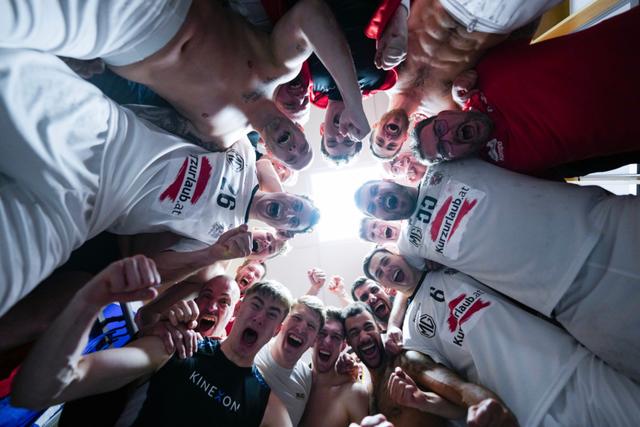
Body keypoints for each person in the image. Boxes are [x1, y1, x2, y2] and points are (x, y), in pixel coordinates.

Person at [0, 46, 319, 315]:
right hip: (108, 137)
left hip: (93, 209)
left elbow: (152, 269)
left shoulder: (222, 242)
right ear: (291, 193)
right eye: (298, 206)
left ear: (283, 231)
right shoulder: (244, 152)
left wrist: (212, 255)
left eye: (295, 221)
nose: (290, 212)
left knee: (10, 275)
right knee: (12, 72)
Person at [356, 158, 640, 381]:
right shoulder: (410, 245)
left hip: (603, 223)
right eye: (372, 208)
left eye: (374, 192)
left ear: (385, 180)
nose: (378, 202)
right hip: (571, 301)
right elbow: (409, 286)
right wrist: (394, 325)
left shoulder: (444, 165)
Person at [1, 0, 372, 170]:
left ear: (272, 155)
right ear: (299, 125)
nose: (293, 149)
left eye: (290, 158)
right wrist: (353, 103)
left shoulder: (216, 138)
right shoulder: (278, 68)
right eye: (302, 147)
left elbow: (139, 121)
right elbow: (311, 13)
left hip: (109, 45)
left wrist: (82, 72)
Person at [11, 257, 295, 426]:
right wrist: (91, 298)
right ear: (241, 310)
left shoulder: (268, 405)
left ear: (276, 330)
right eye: (256, 305)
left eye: (271, 314)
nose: (259, 318)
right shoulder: (174, 345)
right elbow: (39, 390)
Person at [363, 254, 640, 426]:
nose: (387, 270)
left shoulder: (450, 262)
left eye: (387, 261)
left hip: (574, 365)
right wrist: (482, 405)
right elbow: (451, 384)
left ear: (401, 255)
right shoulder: (413, 333)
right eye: (380, 273)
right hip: (529, 411)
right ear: (387, 286)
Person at [412, 7, 640, 177]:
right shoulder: (507, 173)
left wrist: (464, 80)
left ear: (444, 114)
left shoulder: (481, 72)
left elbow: (522, 16)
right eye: (443, 148)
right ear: (455, 159)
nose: (449, 136)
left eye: (440, 129)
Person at [368, 0, 511, 158]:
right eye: (392, 146)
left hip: (445, 4)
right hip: (493, 21)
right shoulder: (446, 113)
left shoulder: (382, 77)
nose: (388, 139)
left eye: (380, 140)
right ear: (405, 139)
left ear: (375, 125)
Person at [343, 303, 514, 426]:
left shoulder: (405, 363)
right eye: (355, 333)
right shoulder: (364, 386)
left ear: (380, 329)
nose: (364, 337)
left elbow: (461, 390)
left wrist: (497, 415)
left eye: (368, 327)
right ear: (349, 342)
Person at [254, 296, 326, 425]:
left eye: (311, 326)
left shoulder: (307, 378)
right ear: (283, 321)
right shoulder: (253, 348)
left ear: (314, 341)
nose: (301, 328)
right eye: (297, 318)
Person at [300, 308, 369, 427]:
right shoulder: (296, 381)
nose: (327, 341)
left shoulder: (353, 393)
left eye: (336, 337)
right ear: (313, 338)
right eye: (322, 334)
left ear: (343, 346)